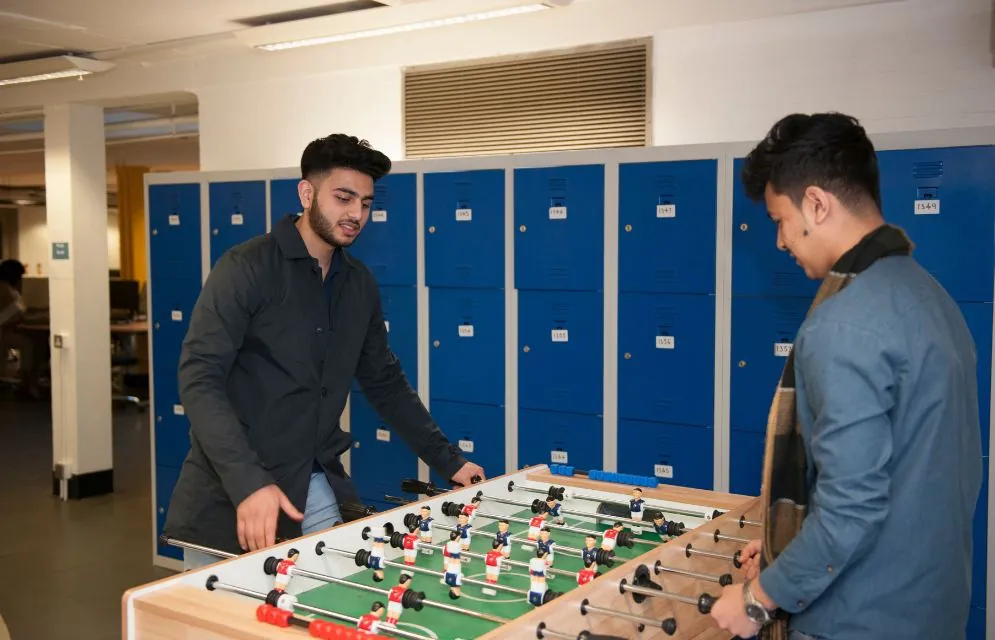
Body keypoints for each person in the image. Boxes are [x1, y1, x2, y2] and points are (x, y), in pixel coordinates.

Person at [709, 112, 982, 640]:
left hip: (856, 620)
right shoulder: (935, 301)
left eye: (779, 220)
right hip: (933, 611)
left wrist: (758, 598)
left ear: (816, 204)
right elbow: (906, 476)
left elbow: (851, 508)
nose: (780, 242)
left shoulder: (842, 323)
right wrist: (787, 554)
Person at [163, 134, 485, 567]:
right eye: (343, 198)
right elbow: (199, 378)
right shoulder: (246, 268)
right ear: (306, 193)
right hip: (229, 493)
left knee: (335, 596)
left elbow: (385, 382)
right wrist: (247, 481)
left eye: (365, 203)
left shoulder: (358, 285)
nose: (356, 214)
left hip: (313, 483)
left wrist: (450, 461)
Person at [0, 259, 41, 399]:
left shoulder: (8, 288)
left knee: (32, 342)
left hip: (7, 329)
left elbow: (22, 310)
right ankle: (27, 382)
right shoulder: (4, 289)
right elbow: (19, 314)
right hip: (3, 332)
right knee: (28, 344)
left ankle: (29, 380)